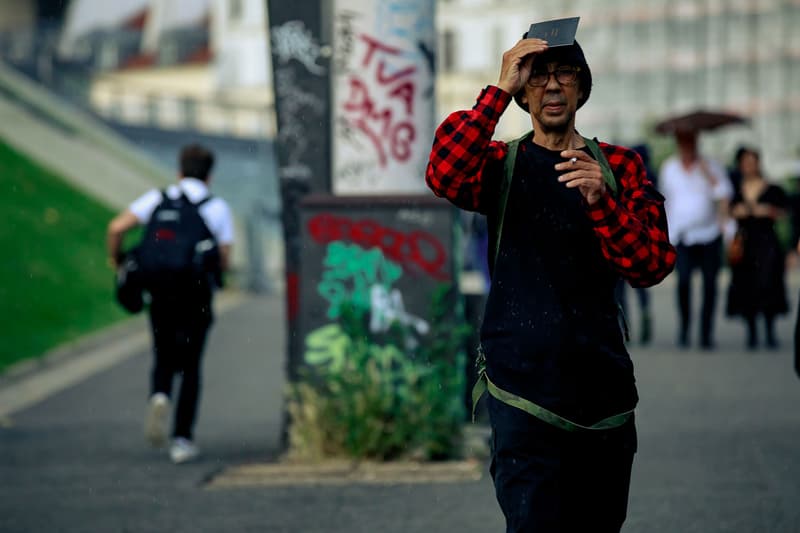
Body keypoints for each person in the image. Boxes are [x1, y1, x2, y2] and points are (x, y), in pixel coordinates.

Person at [425, 28, 676, 532]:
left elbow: (650, 265)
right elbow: (444, 173)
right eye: (538, 77)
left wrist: (604, 203)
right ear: (522, 93)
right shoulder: (500, 164)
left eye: (565, 75)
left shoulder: (620, 166)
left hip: (601, 394)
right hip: (519, 389)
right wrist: (496, 91)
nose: (553, 87)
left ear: (582, 89)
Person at [106, 144, 234, 464]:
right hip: (196, 295)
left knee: (163, 354)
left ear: (179, 172)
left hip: (160, 292)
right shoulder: (216, 207)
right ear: (210, 176)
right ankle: (182, 439)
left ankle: (160, 394)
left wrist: (116, 259)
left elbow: (116, 227)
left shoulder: (158, 199)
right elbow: (225, 259)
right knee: (191, 366)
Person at [659, 129, 733, 349]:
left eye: (691, 142)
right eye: (683, 142)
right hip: (681, 236)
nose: (687, 146)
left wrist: (707, 173)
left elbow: (724, 193)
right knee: (683, 283)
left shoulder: (711, 166)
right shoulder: (669, 168)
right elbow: (664, 200)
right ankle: (684, 327)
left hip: (709, 235)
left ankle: (706, 333)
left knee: (710, 285)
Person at [725, 147, 788, 349]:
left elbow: (785, 211)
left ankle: (769, 330)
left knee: (768, 282)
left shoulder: (772, 188)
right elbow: (728, 211)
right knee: (746, 284)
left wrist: (767, 211)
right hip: (745, 244)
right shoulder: (736, 189)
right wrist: (738, 212)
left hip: (767, 243)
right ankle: (751, 331)